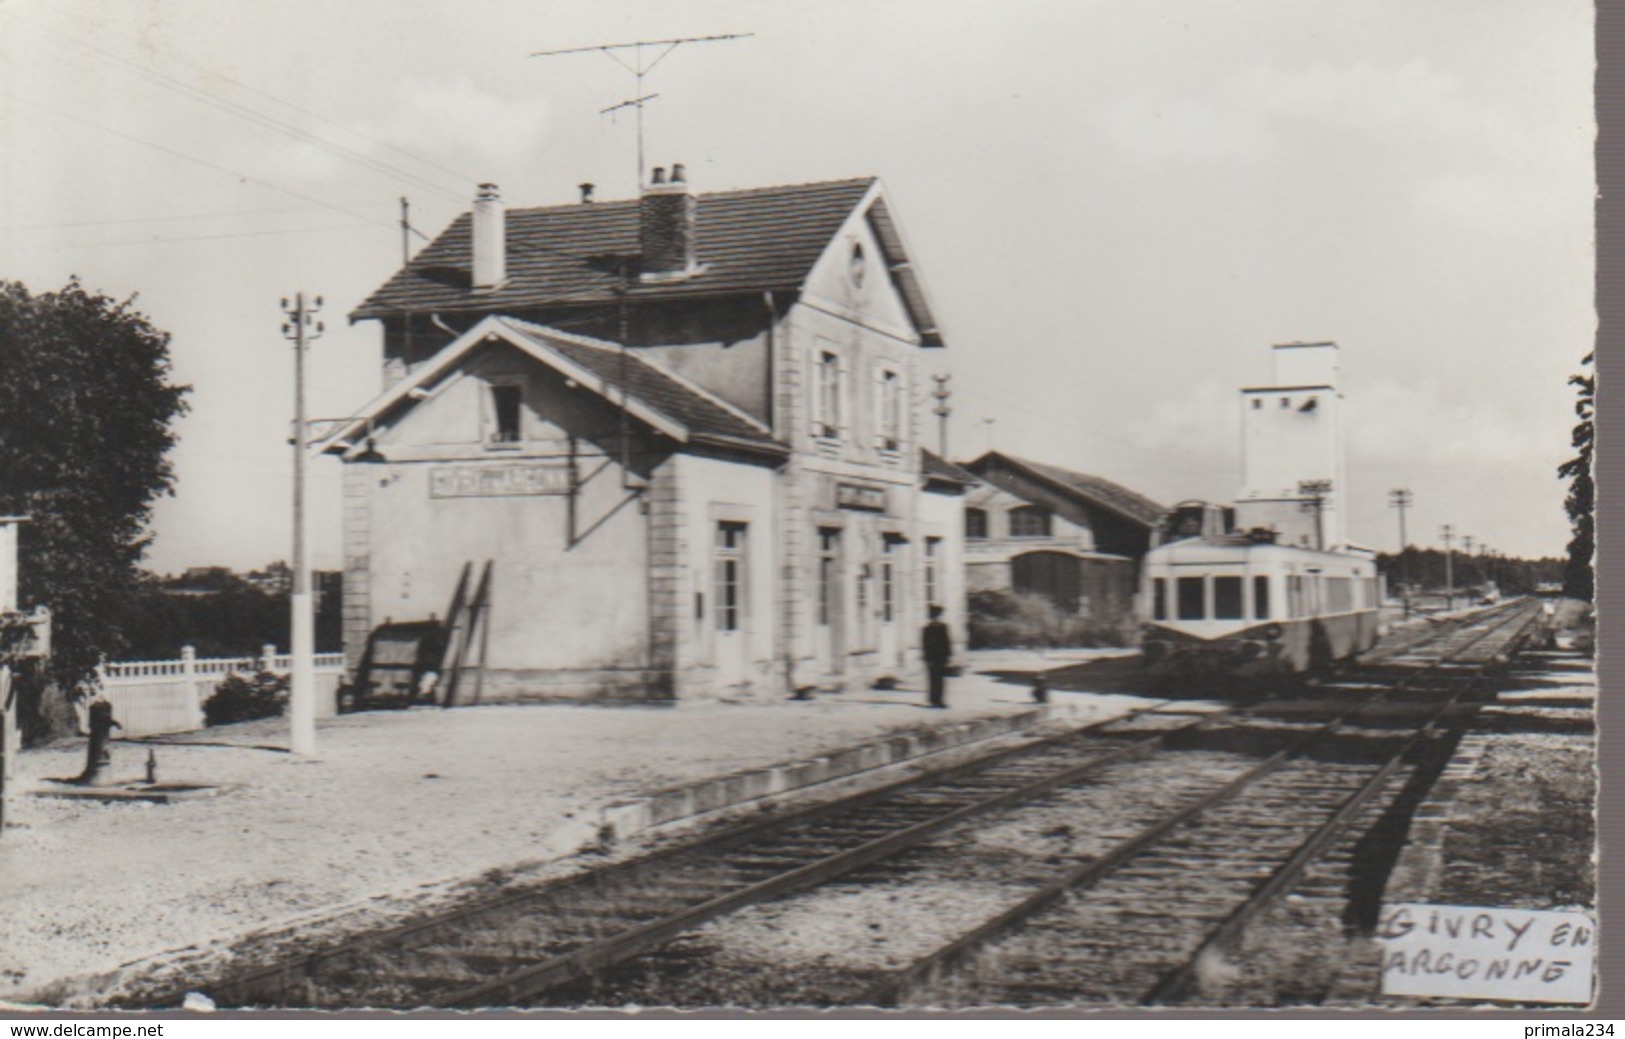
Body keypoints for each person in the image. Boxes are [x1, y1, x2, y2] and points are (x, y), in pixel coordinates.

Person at [922, 605, 952, 709]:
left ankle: (940, 700)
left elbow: (947, 641)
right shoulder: (927, 629)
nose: (936, 618)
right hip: (931, 657)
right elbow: (925, 645)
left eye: (937, 616)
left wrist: (948, 655)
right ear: (931, 617)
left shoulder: (943, 627)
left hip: (941, 656)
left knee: (940, 679)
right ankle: (933, 700)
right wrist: (927, 657)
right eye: (933, 616)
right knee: (932, 679)